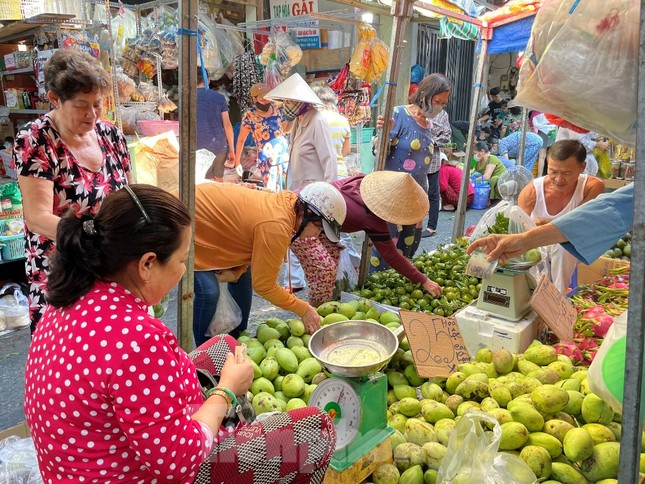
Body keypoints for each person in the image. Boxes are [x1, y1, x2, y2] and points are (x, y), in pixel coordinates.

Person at [24, 184, 336, 483]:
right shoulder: (138, 339)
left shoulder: (73, 294)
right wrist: (225, 391)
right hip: (139, 472)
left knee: (226, 346)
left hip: (87, 459)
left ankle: (234, 423)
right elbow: (179, 461)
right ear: (147, 264)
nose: (185, 270)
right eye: (182, 260)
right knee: (316, 429)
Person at [14, 48, 133, 333]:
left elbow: (129, 195)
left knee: (112, 354)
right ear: (55, 99)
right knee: (69, 359)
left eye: (98, 103)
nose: (92, 114)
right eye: (82, 105)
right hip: (63, 272)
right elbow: (38, 218)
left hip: (111, 266)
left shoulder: (110, 134)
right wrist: (96, 238)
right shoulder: (36, 139)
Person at [192, 181, 346, 347]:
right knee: (209, 292)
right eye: (318, 228)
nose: (317, 235)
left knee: (243, 278)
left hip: (216, 228)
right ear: (307, 214)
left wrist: (237, 271)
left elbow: (248, 238)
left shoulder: (290, 203)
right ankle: (204, 355)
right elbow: (264, 286)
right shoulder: (277, 225)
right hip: (191, 220)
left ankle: (237, 339)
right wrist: (303, 308)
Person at [289, 171, 443, 306]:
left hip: (313, 212)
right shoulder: (371, 219)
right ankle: (314, 315)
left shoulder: (362, 181)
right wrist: (423, 280)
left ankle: (326, 305)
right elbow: (391, 255)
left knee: (333, 260)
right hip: (300, 218)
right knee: (325, 268)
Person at [266, 73, 338, 292]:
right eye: (285, 101)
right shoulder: (298, 121)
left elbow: (330, 159)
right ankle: (297, 281)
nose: (286, 105)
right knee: (296, 237)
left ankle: (325, 281)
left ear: (301, 102)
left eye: (289, 101)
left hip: (315, 195)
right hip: (298, 191)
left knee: (312, 239)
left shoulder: (317, 121)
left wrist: (331, 195)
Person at [374, 73, 452, 252]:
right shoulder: (399, 114)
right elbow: (380, 152)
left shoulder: (430, 124)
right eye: (437, 101)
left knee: (408, 252)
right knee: (387, 253)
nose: (439, 107)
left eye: (443, 104)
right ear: (424, 95)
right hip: (391, 195)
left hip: (416, 197)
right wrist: (383, 133)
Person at [467, 183, 633, 266]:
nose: (559, 179)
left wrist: (525, 240)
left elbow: (609, 212)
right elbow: (611, 210)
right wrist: (524, 240)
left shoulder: (593, 185)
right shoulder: (533, 188)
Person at [517, 139, 604, 292]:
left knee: (562, 246)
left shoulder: (592, 186)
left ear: (582, 167)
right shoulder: (532, 191)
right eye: (553, 171)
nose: (558, 179)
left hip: (572, 244)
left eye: (567, 173)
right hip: (536, 243)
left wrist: (549, 224)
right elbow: (517, 229)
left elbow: (581, 224)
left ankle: (557, 298)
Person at [234, 83, 289, 192]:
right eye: (263, 99)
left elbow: (287, 129)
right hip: (267, 161)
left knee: (287, 189)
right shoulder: (249, 116)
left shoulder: (278, 109)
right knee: (272, 191)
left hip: (284, 157)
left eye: (268, 98)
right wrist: (237, 162)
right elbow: (241, 140)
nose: (266, 101)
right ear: (254, 99)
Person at [196, 68, 235, 181]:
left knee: (198, 181)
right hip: (217, 145)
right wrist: (232, 150)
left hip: (195, 145)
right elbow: (227, 125)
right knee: (217, 180)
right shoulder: (218, 98)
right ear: (208, 80)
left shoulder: (187, 98)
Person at [312, 84, 351, 177]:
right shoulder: (343, 121)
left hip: (319, 172)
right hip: (339, 172)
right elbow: (346, 151)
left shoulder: (314, 120)